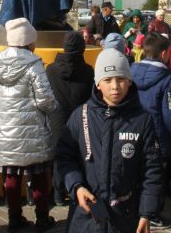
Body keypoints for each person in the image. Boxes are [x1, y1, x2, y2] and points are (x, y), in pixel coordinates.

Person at [56, 48, 163, 233]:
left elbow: (152, 169)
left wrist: (146, 212)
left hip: (125, 216)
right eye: (107, 80)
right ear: (97, 84)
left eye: (121, 78)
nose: (115, 86)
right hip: (86, 216)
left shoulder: (142, 120)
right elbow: (64, 157)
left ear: (129, 81)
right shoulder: (80, 116)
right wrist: (76, 186)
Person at [0, 18, 58, 231]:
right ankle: (42, 218)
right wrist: (54, 108)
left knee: (11, 176)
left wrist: (1, 117)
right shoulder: (34, 64)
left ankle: (14, 218)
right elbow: (45, 99)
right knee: (38, 177)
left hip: (6, 129)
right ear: (29, 41)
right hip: (33, 130)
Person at [131, 32, 171, 228]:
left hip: (134, 133)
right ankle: (152, 214)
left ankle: (136, 211)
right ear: (164, 53)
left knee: (137, 175)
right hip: (157, 136)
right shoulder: (167, 79)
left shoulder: (131, 71)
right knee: (155, 178)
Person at [46, 31, 94, 206]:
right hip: (80, 117)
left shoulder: (51, 69)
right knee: (80, 154)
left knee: (60, 156)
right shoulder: (88, 71)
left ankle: (58, 193)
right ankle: (77, 189)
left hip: (57, 118)